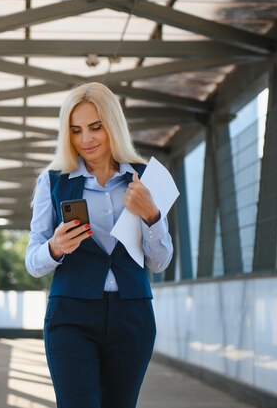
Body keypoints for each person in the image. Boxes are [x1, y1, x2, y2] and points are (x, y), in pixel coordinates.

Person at [25, 82, 173, 408]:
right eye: (76, 131)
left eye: (96, 127)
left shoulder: (145, 178)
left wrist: (152, 216)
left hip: (132, 315)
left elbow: (160, 262)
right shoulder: (52, 181)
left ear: (113, 126)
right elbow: (32, 261)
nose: (86, 139)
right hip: (71, 316)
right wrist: (55, 247)